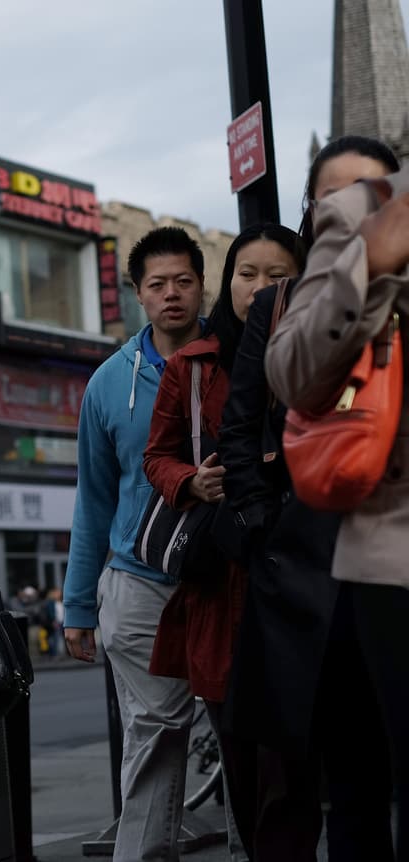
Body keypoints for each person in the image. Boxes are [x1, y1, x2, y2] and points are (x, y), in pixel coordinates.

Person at [220, 137, 398, 862]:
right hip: (312, 567)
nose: (355, 210)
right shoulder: (283, 304)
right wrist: (261, 526)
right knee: (344, 777)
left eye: (372, 193)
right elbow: (243, 426)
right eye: (335, 198)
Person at [143, 223, 306, 859]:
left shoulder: (323, 354)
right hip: (222, 582)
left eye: (277, 275)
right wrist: (191, 480)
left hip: (302, 573)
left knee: (292, 771)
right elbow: (156, 456)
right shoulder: (192, 366)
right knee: (241, 767)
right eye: (247, 274)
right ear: (227, 281)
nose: (259, 288)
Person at [265, 154, 409, 861]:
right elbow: (288, 375)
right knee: (355, 779)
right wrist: (370, 268)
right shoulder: (365, 213)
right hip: (389, 552)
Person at [62, 227, 205, 862]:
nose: (172, 294)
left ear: (202, 286)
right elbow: (93, 499)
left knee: (248, 736)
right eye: (158, 284)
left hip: (224, 575)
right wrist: (77, 606)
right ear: (138, 294)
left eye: (183, 281)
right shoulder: (107, 384)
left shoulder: (236, 360)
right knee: (153, 734)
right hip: (139, 579)